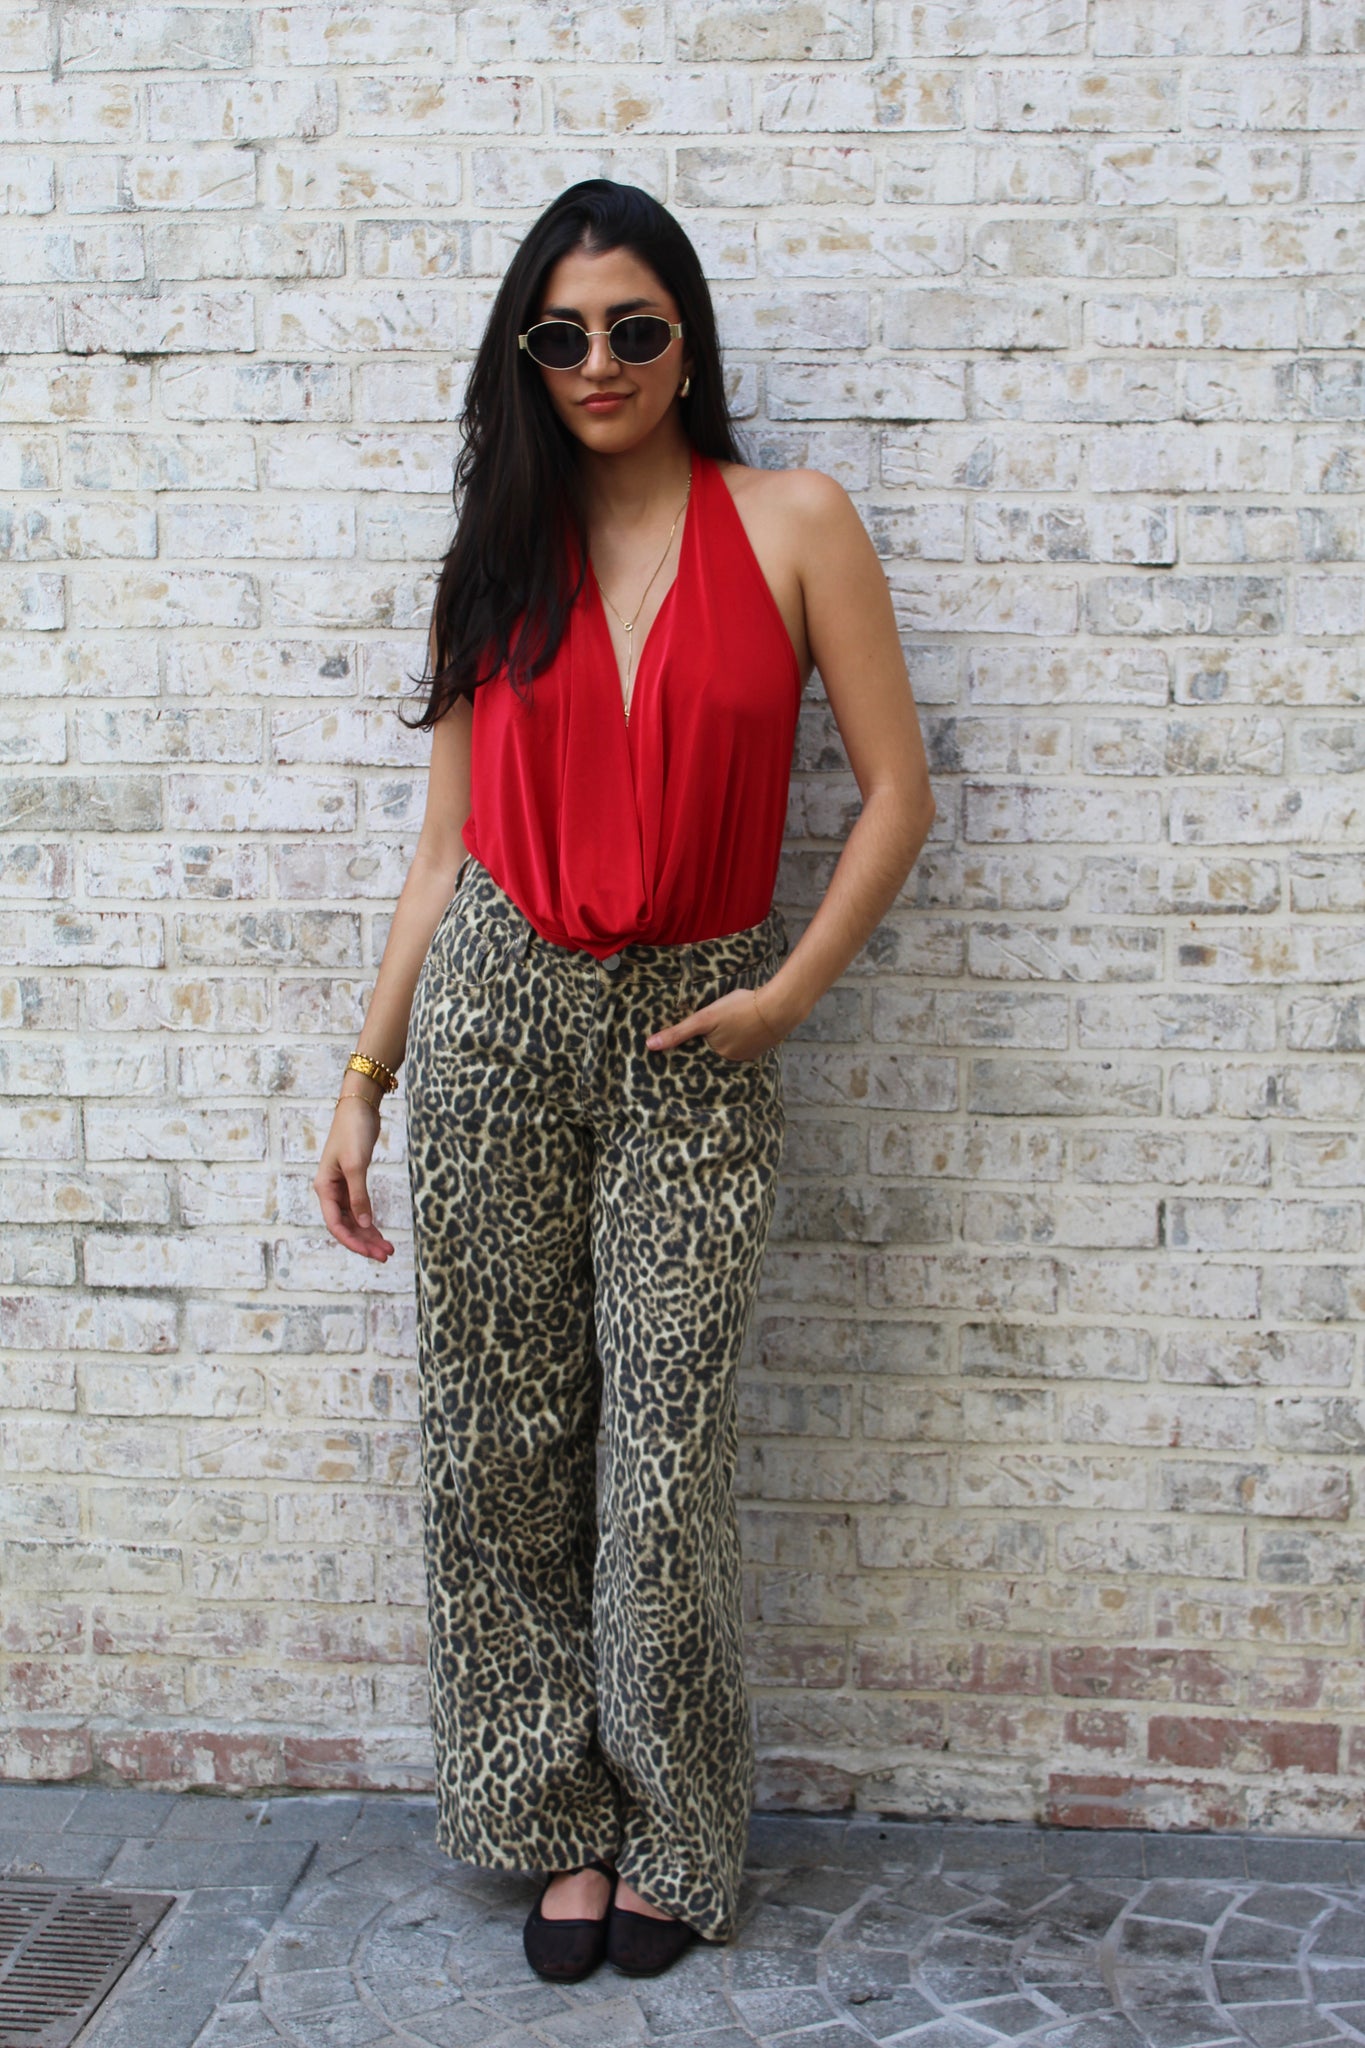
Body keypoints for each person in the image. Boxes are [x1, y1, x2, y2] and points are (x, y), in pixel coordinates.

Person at [313, 179, 935, 1984]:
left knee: (661, 1458)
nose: (600, 361)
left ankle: (676, 1826)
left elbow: (896, 793)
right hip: (498, 1015)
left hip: (697, 1031)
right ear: (527, 354)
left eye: (635, 328)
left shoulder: (795, 522)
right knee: (501, 1448)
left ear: (686, 340)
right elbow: (443, 853)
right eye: (564, 333)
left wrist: (784, 998)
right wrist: (364, 1075)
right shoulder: (496, 555)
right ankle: (555, 1824)